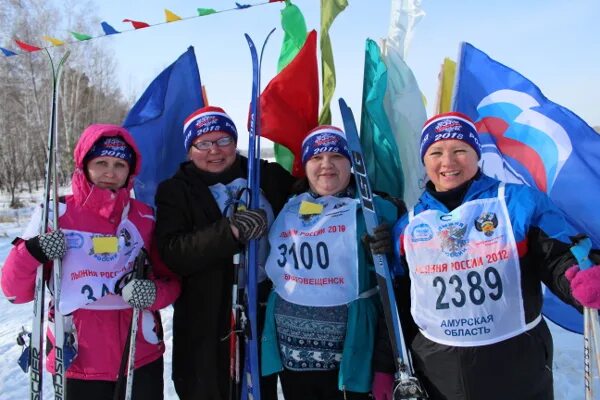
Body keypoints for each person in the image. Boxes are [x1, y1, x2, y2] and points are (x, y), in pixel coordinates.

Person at [373, 112, 600, 400]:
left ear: (476, 154)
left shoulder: (518, 202)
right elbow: (398, 302)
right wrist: (384, 366)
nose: (448, 162)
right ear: (424, 160)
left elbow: (557, 259)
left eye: (460, 150)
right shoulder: (409, 225)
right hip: (438, 369)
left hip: (516, 360)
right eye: (436, 152)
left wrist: (578, 279)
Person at [1, 124, 181, 400]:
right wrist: (33, 250)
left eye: (120, 164)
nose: (110, 172)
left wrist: (153, 293)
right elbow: (14, 291)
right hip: (77, 357)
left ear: (130, 171)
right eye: (101, 162)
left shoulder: (144, 217)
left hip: (138, 352)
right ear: (84, 165)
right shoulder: (55, 213)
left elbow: (171, 279)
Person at [153, 105, 296, 400]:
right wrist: (228, 232)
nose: (214, 151)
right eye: (203, 143)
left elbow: (316, 193)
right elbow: (173, 252)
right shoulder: (176, 191)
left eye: (223, 141)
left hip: (263, 307)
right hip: (206, 317)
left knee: (260, 389)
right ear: (190, 149)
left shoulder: (265, 176)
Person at [260, 125, 400, 400]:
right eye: (316, 157)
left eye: (336, 156)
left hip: (351, 358)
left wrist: (389, 249)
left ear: (352, 162)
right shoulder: (288, 206)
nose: (326, 165)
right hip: (294, 358)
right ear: (305, 165)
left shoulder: (376, 208)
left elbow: (403, 277)